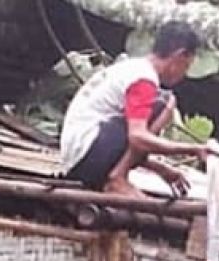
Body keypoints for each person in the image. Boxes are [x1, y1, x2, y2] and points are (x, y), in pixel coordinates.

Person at [60, 21, 210, 198]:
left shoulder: (133, 67)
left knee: (162, 102)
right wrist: (192, 149)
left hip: (78, 158)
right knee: (165, 103)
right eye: (186, 66)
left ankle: (117, 176)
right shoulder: (144, 80)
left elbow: (125, 147)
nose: (184, 74)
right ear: (180, 55)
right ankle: (118, 179)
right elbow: (137, 138)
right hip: (87, 157)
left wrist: (161, 169)